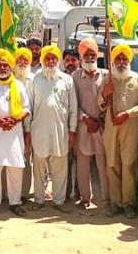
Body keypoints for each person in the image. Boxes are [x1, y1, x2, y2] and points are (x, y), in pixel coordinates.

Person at [98, 44, 138, 218]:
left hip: (130, 126)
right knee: (112, 164)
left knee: (129, 164)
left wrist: (128, 114)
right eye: (118, 59)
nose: (121, 62)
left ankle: (129, 204)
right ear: (113, 61)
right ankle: (116, 203)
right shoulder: (107, 79)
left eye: (124, 59)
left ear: (129, 61)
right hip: (111, 126)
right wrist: (105, 94)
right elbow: (100, 105)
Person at [26, 45, 78, 213]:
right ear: (42, 60)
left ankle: (59, 201)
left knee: (60, 168)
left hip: (60, 131)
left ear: (58, 61)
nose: (51, 61)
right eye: (47, 58)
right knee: (39, 167)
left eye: (54, 58)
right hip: (38, 130)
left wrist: (72, 130)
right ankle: (39, 200)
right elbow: (29, 106)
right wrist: (27, 130)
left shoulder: (66, 80)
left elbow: (73, 108)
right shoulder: (35, 79)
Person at [0, 49, 30, 217]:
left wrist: (14, 120)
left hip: (13, 135)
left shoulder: (18, 85)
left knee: (15, 167)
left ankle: (15, 202)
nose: (3, 68)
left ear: (11, 67)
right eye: (0, 65)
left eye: (6, 65)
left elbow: (26, 109)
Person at [71, 38, 109, 210]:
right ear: (81, 56)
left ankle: (108, 199)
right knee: (83, 163)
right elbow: (73, 103)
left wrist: (101, 119)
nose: (90, 57)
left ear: (97, 55)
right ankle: (86, 198)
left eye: (92, 53)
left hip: (102, 125)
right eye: (86, 54)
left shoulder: (107, 74)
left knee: (103, 163)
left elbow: (110, 101)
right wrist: (86, 119)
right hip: (84, 125)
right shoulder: (75, 76)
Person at [13, 47, 35, 204]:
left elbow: (32, 106)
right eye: (19, 59)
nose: (22, 62)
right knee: (10, 159)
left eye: (25, 60)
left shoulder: (34, 79)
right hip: (11, 126)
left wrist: (28, 130)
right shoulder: (8, 77)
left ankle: (23, 193)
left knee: (26, 160)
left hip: (30, 126)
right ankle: (8, 192)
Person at [61, 48, 81, 202]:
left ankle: (80, 192)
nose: (70, 63)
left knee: (80, 161)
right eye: (67, 60)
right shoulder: (59, 78)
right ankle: (65, 193)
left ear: (78, 62)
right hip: (63, 128)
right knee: (65, 161)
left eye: (73, 60)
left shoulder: (82, 78)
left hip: (82, 126)